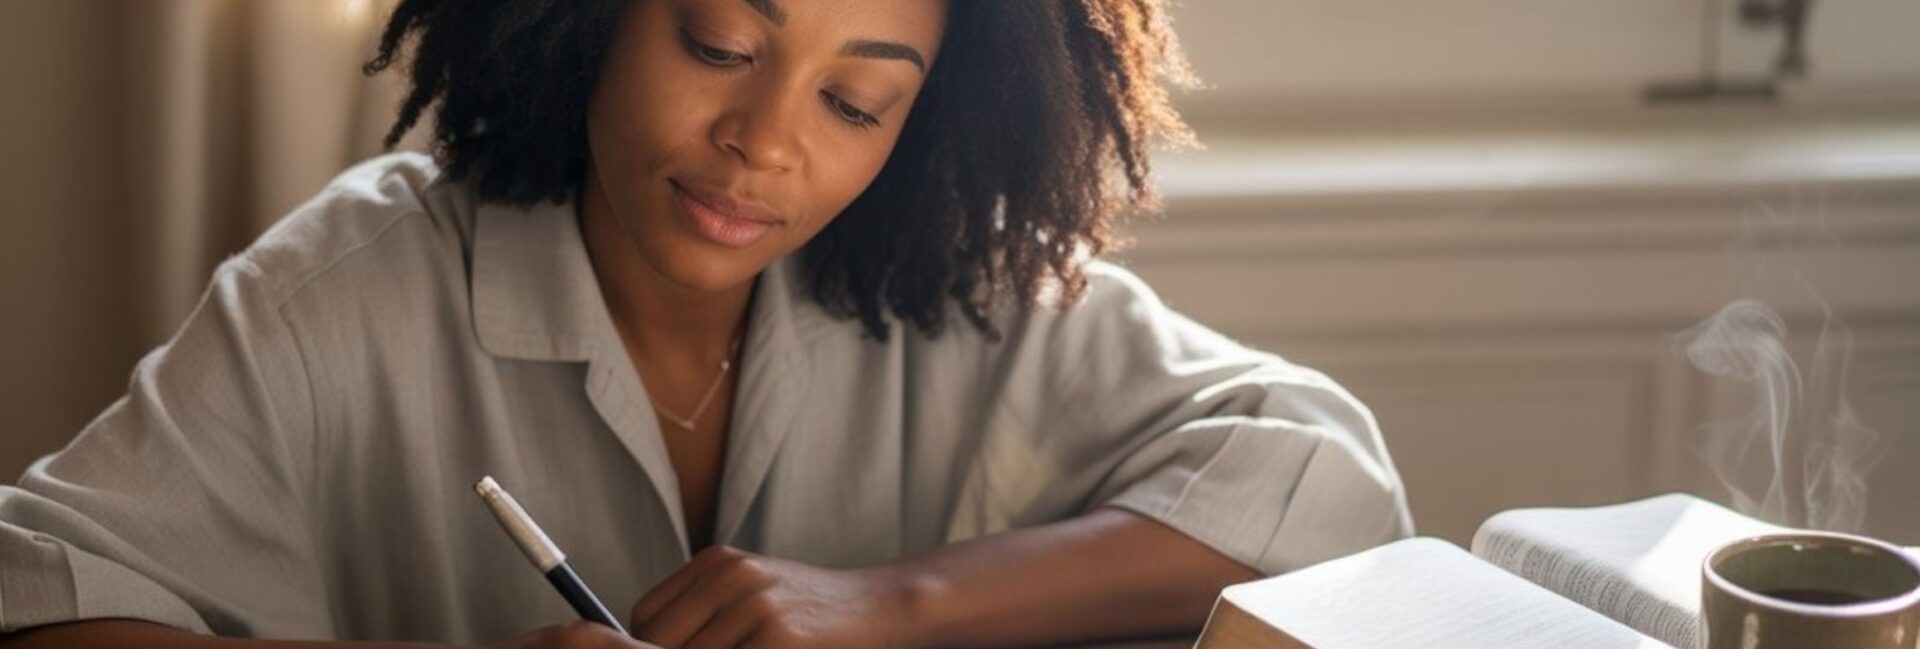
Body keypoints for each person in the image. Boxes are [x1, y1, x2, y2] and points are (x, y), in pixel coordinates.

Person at [0, 0, 1412, 647]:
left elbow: (1330, 488)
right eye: (723, 46)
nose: (763, 142)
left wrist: (887, 603)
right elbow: (47, 594)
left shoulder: (955, 285)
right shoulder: (349, 287)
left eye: (855, 102)